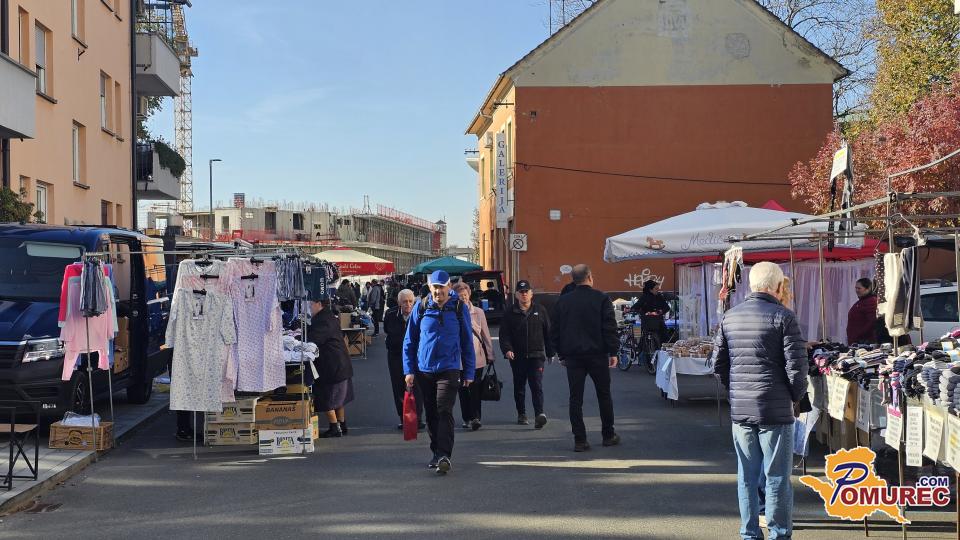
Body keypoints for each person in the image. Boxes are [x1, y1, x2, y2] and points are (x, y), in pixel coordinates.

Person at [712, 261, 807, 540]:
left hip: (742, 407)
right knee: (777, 477)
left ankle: (749, 533)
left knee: (747, 475)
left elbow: (718, 365)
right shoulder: (784, 317)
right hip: (775, 408)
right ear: (777, 286)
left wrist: (736, 390)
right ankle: (779, 533)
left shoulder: (730, 317)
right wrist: (795, 397)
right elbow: (797, 368)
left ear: (752, 285)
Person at [403, 270, 476, 475]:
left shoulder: (459, 308)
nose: (438, 291)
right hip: (424, 369)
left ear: (449, 287)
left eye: (441, 287)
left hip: (449, 368)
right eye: (434, 287)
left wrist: (469, 371)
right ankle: (436, 451)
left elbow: (467, 342)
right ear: (429, 287)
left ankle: (444, 455)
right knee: (431, 412)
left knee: (444, 409)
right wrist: (409, 370)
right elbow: (409, 341)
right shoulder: (421, 307)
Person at [551, 264, 619, 452]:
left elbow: (555, 330)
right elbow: (609, 327)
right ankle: (608, 435)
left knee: (575, 398)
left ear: (573, 279)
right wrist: (613, 352)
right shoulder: (601, 298)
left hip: (573, 356)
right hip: (597, 354)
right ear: (590, 277)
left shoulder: (563, 301)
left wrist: (561, 353)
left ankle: (580, 440)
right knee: (604, 395)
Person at [500, 279, 555, 429]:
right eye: (521, 292)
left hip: (536, 355)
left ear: (531, 293)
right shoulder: (509, 313)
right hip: (517, 356)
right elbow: (504, 334)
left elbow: (548, 332)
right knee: (519, 386)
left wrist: (550, 352)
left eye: (526, 291)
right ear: (516, 295)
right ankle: (522, 413)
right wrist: (507, 349)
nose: (524, 294)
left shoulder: (540, 310)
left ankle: (539, 414)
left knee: (536, 385)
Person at [307, 298, 355, 438]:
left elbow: (314, 339)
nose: (309, 306)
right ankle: (342, 424)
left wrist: (299, 337)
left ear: (319, 304)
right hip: (339, 364)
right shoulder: (328, 316)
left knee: (328, 396)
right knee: (339, 397)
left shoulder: (323, 320)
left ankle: (334, 427)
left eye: (311, 304)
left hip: (332, 365)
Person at [453, 282, 494, 431]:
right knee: (463, 389)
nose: (463, 298)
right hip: (458, 359)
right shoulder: (452, 312)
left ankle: (476, 417)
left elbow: (485, 334)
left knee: (475, 388)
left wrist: (490, 353)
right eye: (460, 296)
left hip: (477, 357)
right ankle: (467, 418)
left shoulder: (478, 312)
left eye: (465, 295)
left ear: (469, 295)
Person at [384, 289, 424, 430]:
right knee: (398, 387)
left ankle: (418, 418)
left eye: (410, 301)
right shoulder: (390, 314)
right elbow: (387, 331)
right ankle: (404, 418)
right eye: (405, 302)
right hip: (395, 356)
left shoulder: (420, 313)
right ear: (399, 302)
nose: (408, 304)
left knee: (416, 387)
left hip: (415, 357)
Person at [847, 277, 879, 344]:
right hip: (857, 341)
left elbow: (872, 322)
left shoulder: (871, 301)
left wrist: (859, 335)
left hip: (864, 342)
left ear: (868, 289)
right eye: (856, 288)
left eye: (859, 288)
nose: (857, 290)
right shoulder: (862, 301)